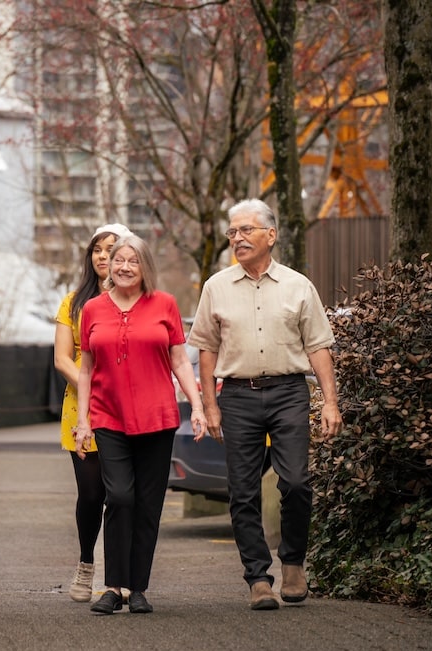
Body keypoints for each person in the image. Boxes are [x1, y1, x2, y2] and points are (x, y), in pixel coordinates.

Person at [188, 198, 341, 611]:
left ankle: (292, 562)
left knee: (295, 482)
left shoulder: (298, 285)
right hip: (237, 395)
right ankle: (258, 577)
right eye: (232, 232)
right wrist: (210, 404)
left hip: (289, 391)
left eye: (246, 230)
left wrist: (330, 401)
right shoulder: (216, 287)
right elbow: (204, 348)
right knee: (242, 490)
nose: (237, 238)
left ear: (271, 235)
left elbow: (319, 346)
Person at [73, 235, 205, 615]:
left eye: (133, 261)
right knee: (119, 497)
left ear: (145, 266)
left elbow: (180, 360)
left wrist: (195, 405)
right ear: (110, 266)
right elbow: (86, 368)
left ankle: (138, 587)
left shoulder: (164, 304)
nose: (124, 266)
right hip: (109, 417)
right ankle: (113, 586)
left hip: (157, 419)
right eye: (118, 260)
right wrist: (83, 421)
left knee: (148, 504)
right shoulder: (94, 309)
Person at [53, 222, 132, 603]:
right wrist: (92, 385)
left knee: (121, 493)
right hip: (80, 406)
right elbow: (62, 358)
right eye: (97, 250)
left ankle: (122, 572)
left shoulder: (136, 301)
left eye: (111, 248)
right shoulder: (73, 303)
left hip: (125, 407)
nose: (103, 256)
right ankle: (86, 563)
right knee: (91, 493)